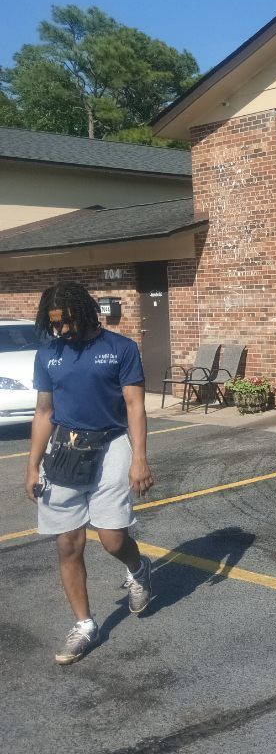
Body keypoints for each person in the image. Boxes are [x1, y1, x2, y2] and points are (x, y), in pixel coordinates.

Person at [23, 281, 155, 665]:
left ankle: (138, 567)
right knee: (68, 543)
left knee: (113, 540)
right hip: (64, 450)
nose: (61, 331)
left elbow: (134, 407)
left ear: (84, 312)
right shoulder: (49, 352)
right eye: (54, 324)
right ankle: (84, 624)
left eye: (66, 323)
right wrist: (31, 465)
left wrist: (139, 458)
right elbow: (44, 412)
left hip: (111, 445)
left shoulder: (120, 349)